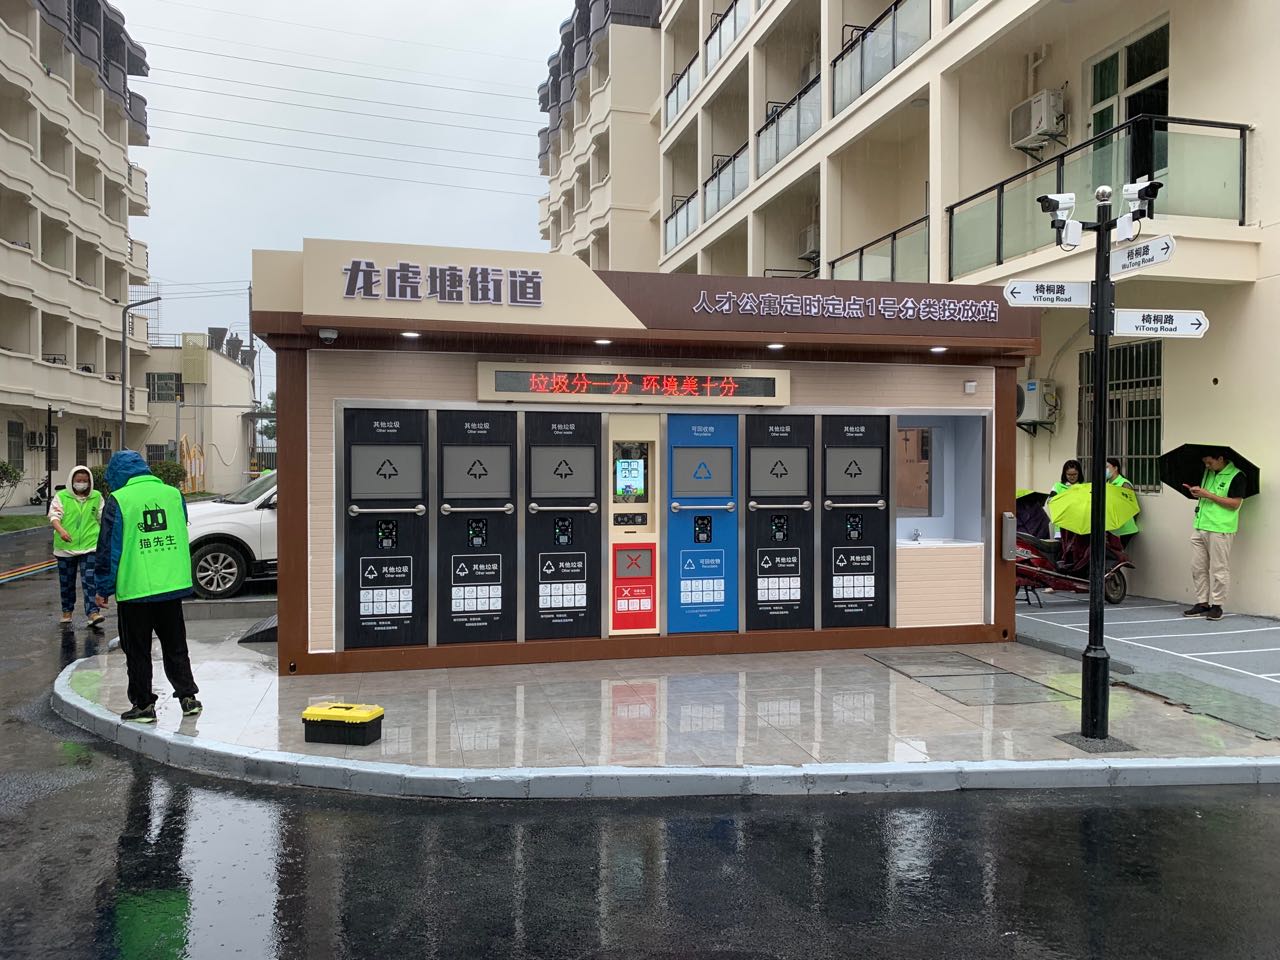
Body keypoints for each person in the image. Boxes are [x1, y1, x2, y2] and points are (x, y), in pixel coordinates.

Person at [93, 450, 202, 723]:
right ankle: (188, 697)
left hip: (136, 590)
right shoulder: (173, 494)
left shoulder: (119, 500)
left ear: (117, 474)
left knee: (138, 650)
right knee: (175, 645)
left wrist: (103, 588)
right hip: (171, 584)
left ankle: (143, 706)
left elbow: (108, 549)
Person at [1182, 449, 1246, 621]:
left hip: (1220, 528)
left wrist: (1208, 495)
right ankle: (1202, 603)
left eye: (1210, 462)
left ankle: (1217, 605)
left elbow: (1235, 503)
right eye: (1205, 463)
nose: (1207, 466)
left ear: (1221, 458)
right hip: (1200, 525)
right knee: (1197, 567)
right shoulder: (1208, 473)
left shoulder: (1237, 476)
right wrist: (1197, 492)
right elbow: (1206, 497)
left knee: (1219, 568)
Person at [48, 464, 105, 627]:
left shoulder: (96, 497)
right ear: (71, 481)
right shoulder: (62, 497)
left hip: (90, 545)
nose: (81, 483)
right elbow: (54, 516)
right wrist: (61, 531)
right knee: (66, 582)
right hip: (65, 547)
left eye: (84, 481)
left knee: (90, 580)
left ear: (90, 482)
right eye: (78, 480)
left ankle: (93, 612)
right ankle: (67, 611)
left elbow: (102, 518)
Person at [1105, 457, 1140, 547]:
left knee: (1118, 552)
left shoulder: (1124, 484)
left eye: (1107, 467)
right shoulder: (1107, 484)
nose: (1105, 470)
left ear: (1115, 468)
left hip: (1124, 528)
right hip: (1111, 527)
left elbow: (1132, 506)